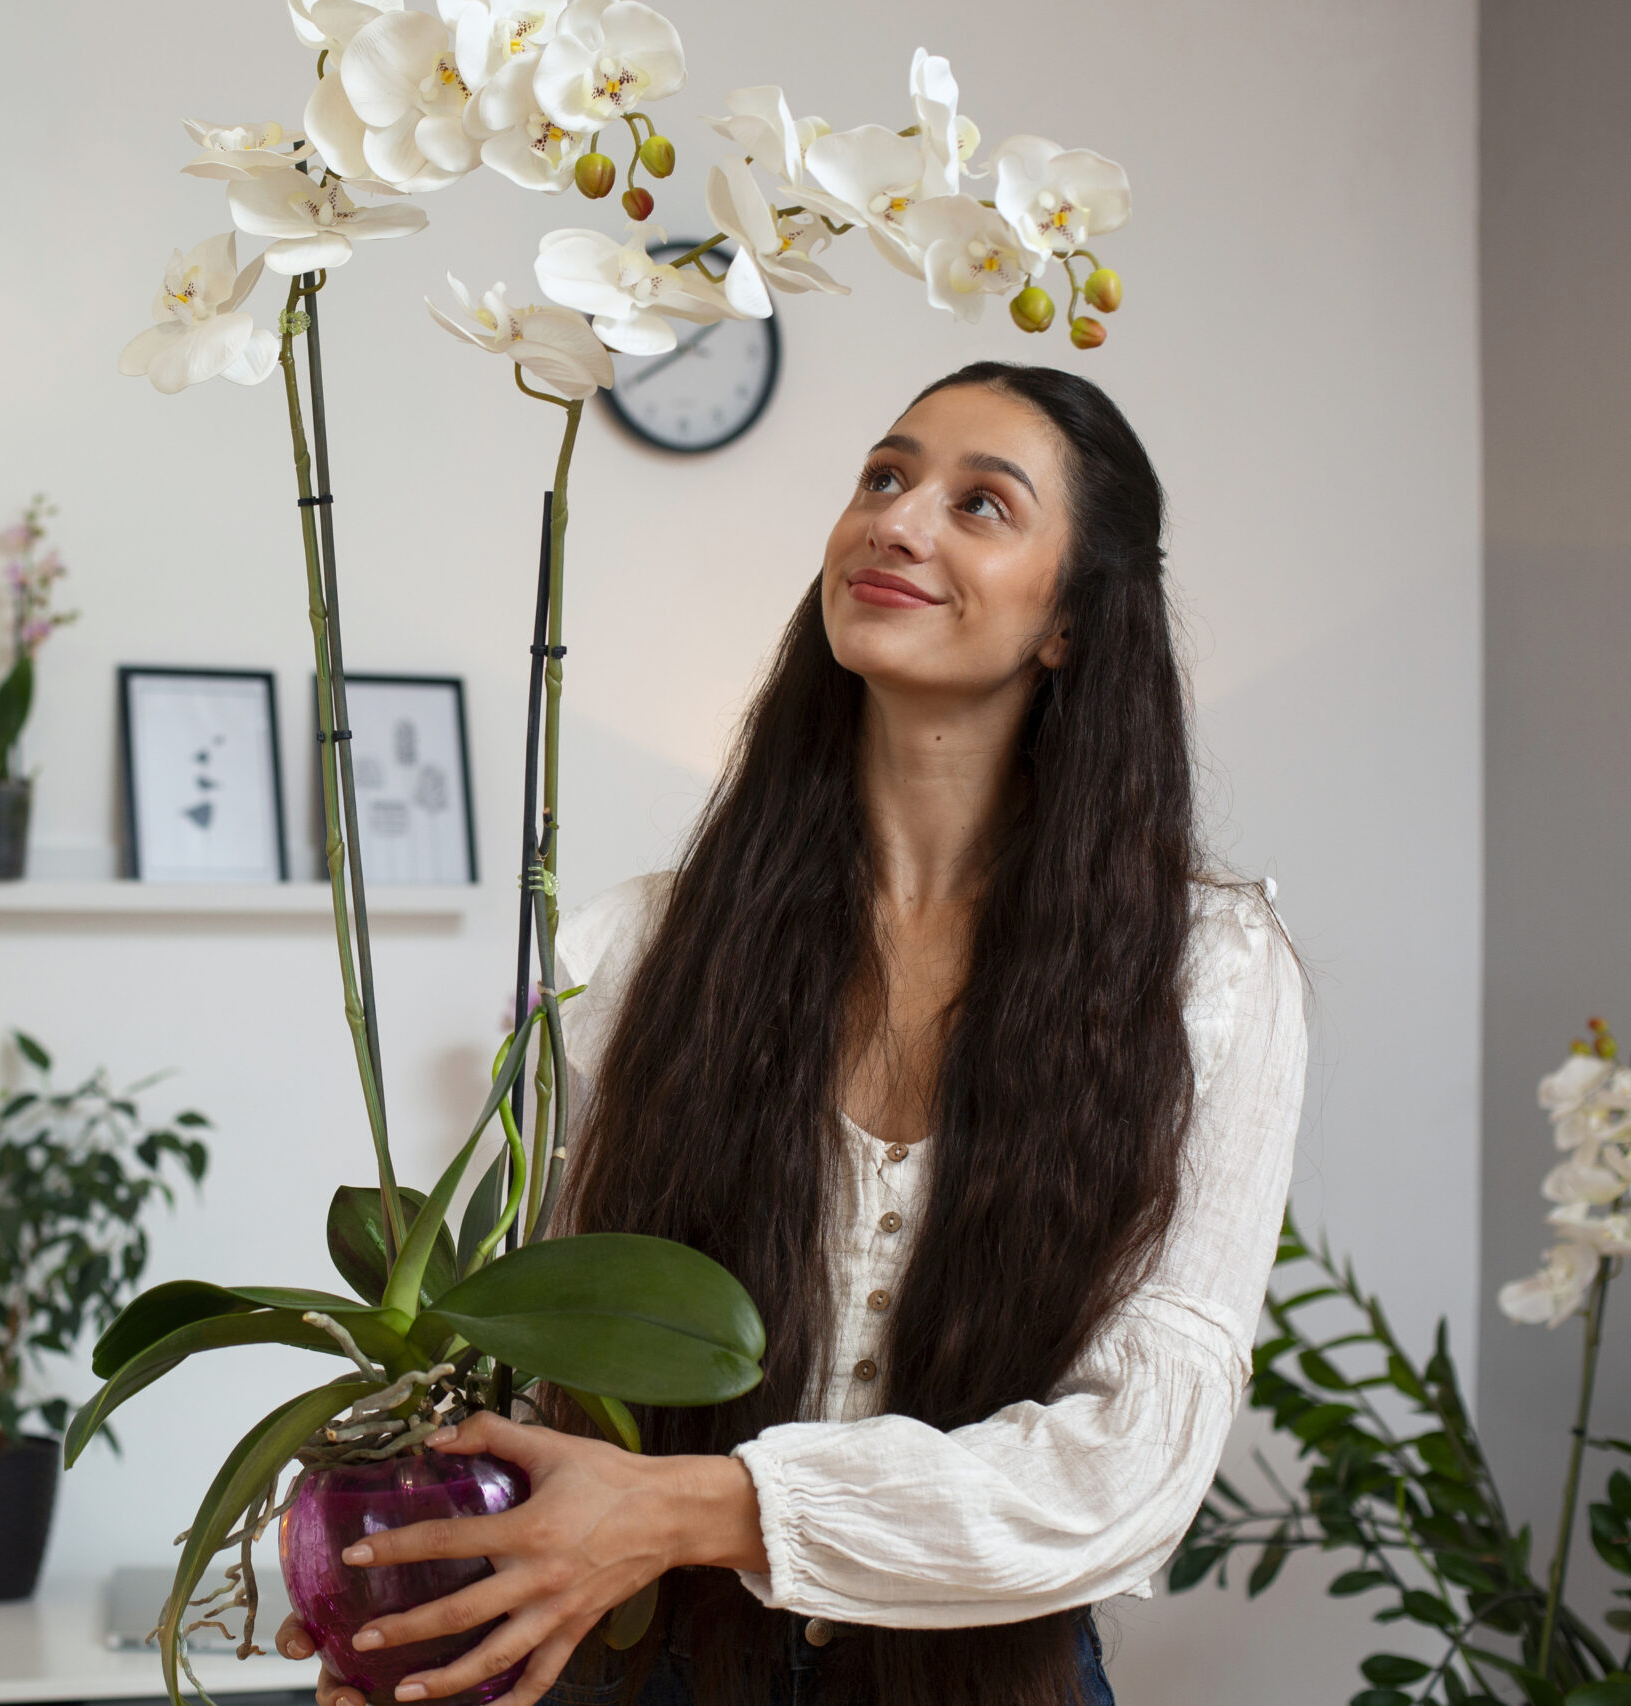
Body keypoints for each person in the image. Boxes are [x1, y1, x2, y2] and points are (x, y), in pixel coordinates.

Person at [272, 362, 1309, 1706]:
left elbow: (1133, 1469)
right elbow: (559, 1401)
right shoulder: (636, 950)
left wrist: (691, 1509)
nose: (900, 519)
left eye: (980, 504)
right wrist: (429, 1597)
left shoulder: (1208, 971)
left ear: (1069, 621)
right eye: (884, 476)